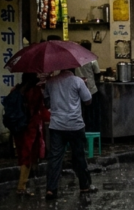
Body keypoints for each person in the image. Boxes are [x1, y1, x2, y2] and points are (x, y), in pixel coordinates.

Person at [44, 69, 95, 199]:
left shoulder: (50, 82)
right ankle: (84, 186)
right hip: (75, 126)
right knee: (79, 155)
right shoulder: (78, 81)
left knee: (55, 158)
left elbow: (46, 103)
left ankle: (51, 189)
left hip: (56, 126)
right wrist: (85, 86)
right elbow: (88, 101)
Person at [7, 73, 48, 196]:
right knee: (29, 154)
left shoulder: (16, 89)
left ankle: (27, 182)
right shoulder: (35, 91)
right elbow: (41, 110)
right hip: (31, 127)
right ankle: (22, 186)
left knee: (22, 153)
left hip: (18, 126)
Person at [75, 41, 101, 133]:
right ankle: (92, 132)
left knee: (81, 114)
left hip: (78, 91)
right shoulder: (91, 59)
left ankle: (82, 132)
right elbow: (97, 73)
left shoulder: (75, 58)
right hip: (91, 90)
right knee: (92, 113)